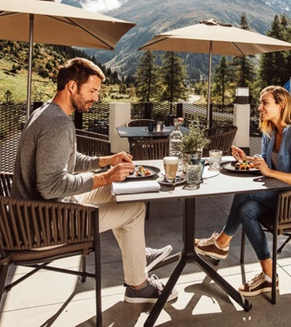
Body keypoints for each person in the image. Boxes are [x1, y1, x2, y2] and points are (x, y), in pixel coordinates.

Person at [12, 57, 177, 304]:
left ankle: (138, 255)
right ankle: (138, 286)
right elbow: (50, 186)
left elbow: (69, 161)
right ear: (71, 87)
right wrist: (105, 177)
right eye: (92, 91)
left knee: (116, 190)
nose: (96, 98)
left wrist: (106, 161)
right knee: (134, 209)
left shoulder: (44, 112)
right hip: (44, 222)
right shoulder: (58, 123)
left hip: (36, 212)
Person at [194, 85, 291, 297]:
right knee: (247, 209)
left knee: (245, 193)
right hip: (276, 197)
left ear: (281, 104)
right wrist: (248, 160)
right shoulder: (270, 132)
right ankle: (269, 276)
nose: (259, 107)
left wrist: (268, 171)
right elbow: (267, 163)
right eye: (260, 103)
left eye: (264, 103)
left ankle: (222, 243)